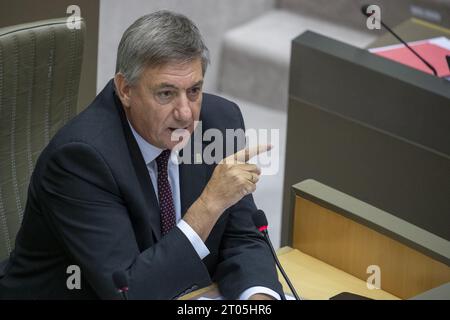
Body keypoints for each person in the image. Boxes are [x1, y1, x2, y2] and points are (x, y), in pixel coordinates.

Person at [0, 11, 283, 299]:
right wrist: (209, 205)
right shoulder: (80, 160)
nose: (186, 113)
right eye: (166, 94)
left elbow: (244, 236)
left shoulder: (218, 122)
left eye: (194, 90)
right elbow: (128, 291)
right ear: (125, 90)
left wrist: (257, 300)